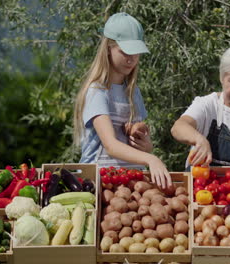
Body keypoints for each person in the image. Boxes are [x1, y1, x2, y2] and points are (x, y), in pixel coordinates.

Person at [73, 12, 172, 188]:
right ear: (108, 48)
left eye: (136, 52)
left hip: (129, 182)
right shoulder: (98, 91)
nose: (131, 58)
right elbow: (111, 145)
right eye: (125, 51)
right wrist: (151, 158)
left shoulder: (133, 92)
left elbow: (135, 140)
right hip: (99, 183)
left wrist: (146, 145)